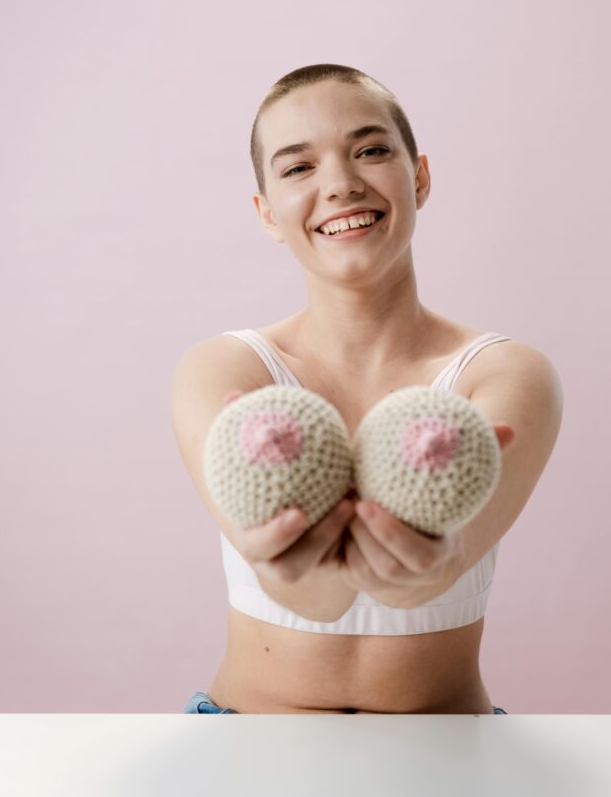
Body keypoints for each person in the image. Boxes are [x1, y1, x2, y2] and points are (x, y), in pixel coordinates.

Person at [171, 63, 564, 714]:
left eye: (371, 151)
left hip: (450, 758)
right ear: (267, 213)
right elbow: (309, 595)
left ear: (419, 177)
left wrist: (433, 561)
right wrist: (289, 570)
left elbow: (426, 577)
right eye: (298, 168)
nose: (341, 184)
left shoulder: (505, 375)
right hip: (243, 748)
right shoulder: (222, 371)